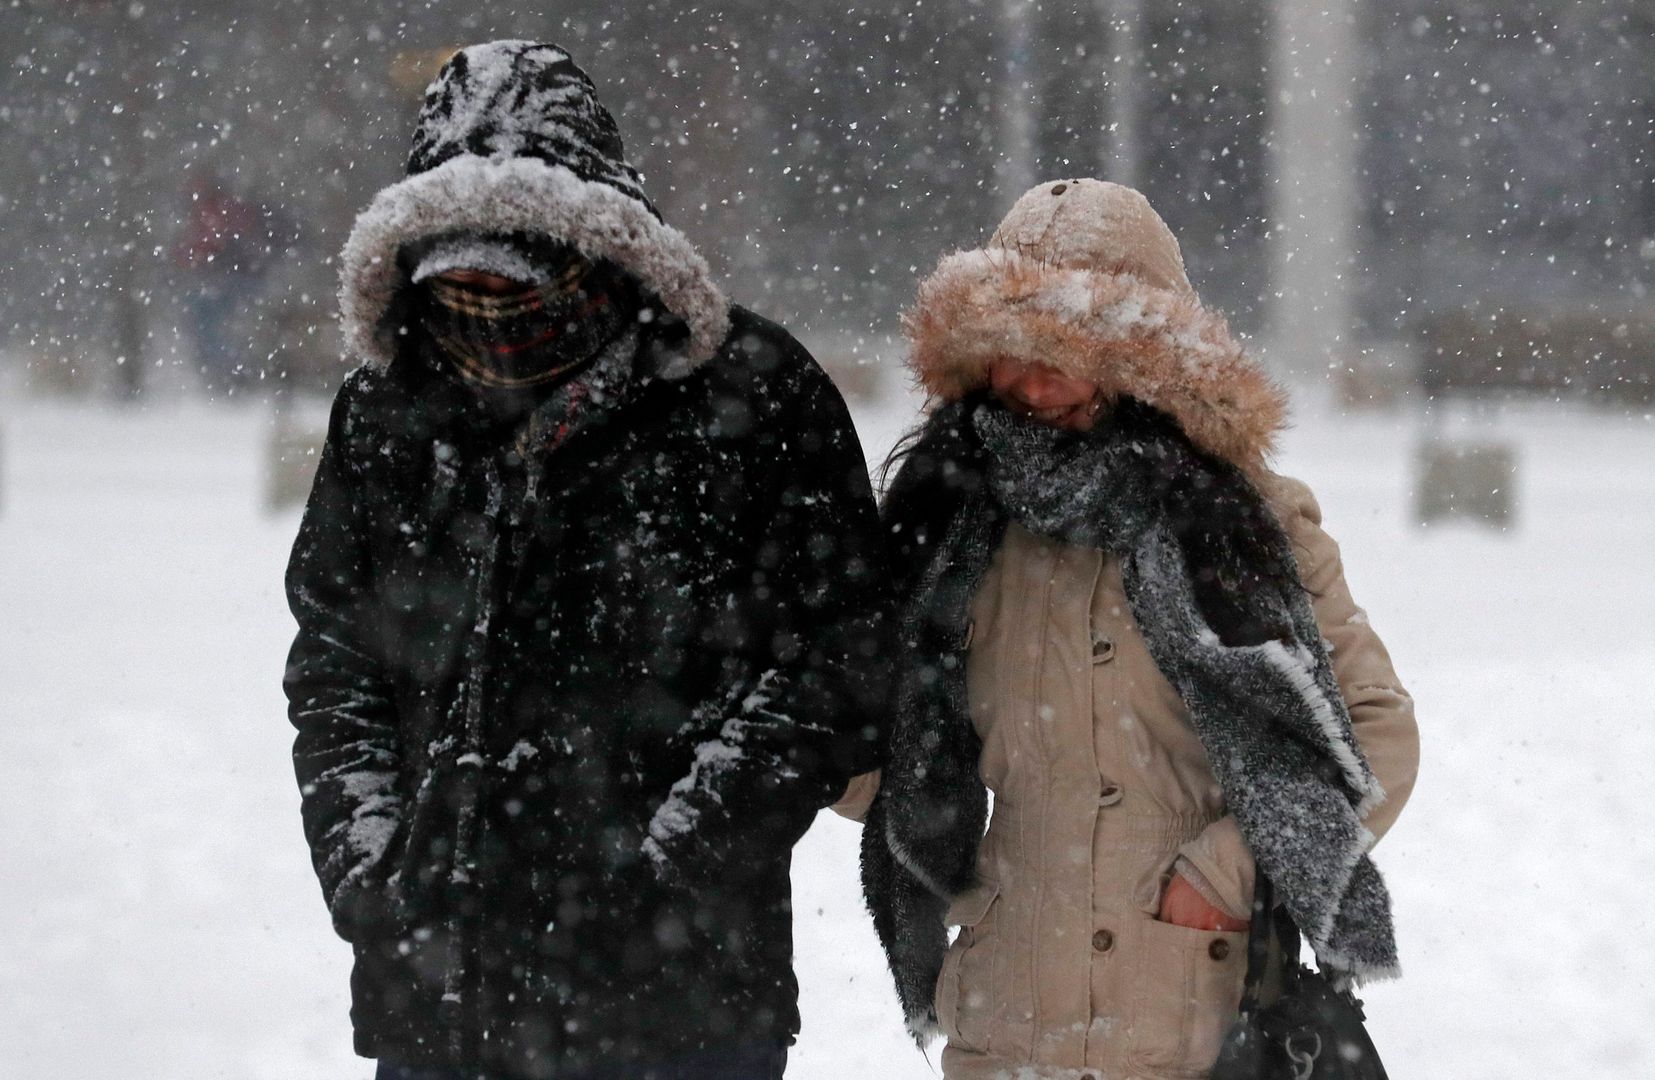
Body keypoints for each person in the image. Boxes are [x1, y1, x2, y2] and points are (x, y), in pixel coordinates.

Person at [283, 41, 888, 1080]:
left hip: (682, 1005)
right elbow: (338, 661)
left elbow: (834, 665)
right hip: (441, 1002)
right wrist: (369, 874)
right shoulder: (387, 408)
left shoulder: (749, 396)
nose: (486, 317)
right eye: (455, 284)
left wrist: (669, 869)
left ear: (598, 253)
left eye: (516, 273)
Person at [842, 178, 1419, 1079]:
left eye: (1060, 355)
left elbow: (1374, 735)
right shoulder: (947, 530)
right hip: (1003, 1023)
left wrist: (1220, 874)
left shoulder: (1244, 525)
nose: (1027, 388)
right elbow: (879, 767)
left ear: (1142, 363)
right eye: (1005, 352)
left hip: (1195, 1021)